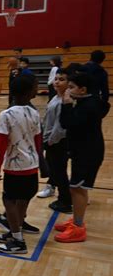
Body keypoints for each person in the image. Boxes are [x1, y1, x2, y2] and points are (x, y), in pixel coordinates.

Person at [54, 72, 110, 242]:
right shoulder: (90, 101)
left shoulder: (88, 106)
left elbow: (67, 123)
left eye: (71, 87)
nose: (68, 90)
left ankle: (78, 228)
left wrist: (66, 105)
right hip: (84, 150)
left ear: (83, 89)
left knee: (77, 189)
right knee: (77, 188)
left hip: (88, 153)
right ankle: (77, 220)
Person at [0, 75, 42, 254]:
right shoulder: (34, 113)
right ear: (28, 92)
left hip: (15, 167)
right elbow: (38, 141)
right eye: (35, 87)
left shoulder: (6, 115)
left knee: (9, 200)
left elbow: (0, 145)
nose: (37, 89)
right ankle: (16, 231)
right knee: (22, 200)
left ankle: (18, 241)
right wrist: (41, 164)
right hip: (31, 165)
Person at [41, 68, 72, 213]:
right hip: (50, 140)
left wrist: (50, 141)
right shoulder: (55, 97)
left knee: (59, 171)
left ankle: (65, 201)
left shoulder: (65, 101)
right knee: (55, 170)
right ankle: (62, 197)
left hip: (58, 142)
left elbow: (60, 127)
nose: (57, 82)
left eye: (62, 79)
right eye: (56, 79)